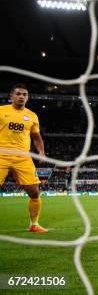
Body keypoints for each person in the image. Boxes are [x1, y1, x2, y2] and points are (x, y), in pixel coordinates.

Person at [0, 84, 47, 233]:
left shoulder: (32, 116)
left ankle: (34, 224)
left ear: (27, 97)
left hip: (23, 157)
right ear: (11, 96)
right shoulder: (1, 111)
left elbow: (36, 137)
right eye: (18, 94)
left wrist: (41, 152)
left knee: (34, 192)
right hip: (1, 155)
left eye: (24, 94)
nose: (21, 96)